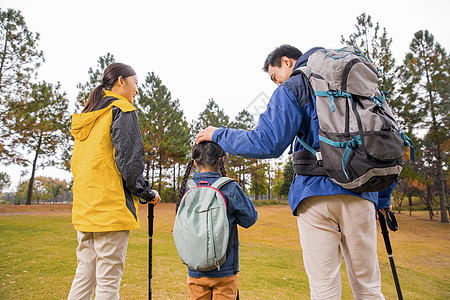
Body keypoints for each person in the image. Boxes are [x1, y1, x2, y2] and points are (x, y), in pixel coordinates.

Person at [197, 45, 391, 300]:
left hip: (315, 195)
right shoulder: (358, 86)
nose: (277, 85)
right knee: (368, 288)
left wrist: (218, 134)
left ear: (287, 62)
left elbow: (266, 142)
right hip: (361, 194)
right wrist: (383, 199)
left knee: (324, 290)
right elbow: (385, 143)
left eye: (274, 77)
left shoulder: (294, 86)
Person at [68, 62, 161, 299]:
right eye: (135, 84)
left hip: (86, 210)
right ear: (121, 82)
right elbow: (129, 164)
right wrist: (146, 192)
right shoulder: (122, 110)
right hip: (110, 210)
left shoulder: (89, 117)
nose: (137, 91)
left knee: (84, 276)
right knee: (108, 282)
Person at [176, 141, 258, 300]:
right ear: (222, 159)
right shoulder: (229, 187)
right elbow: (250, 218)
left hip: (195, 270)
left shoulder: (188, 188)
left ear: (195, 162)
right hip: (225, 269)